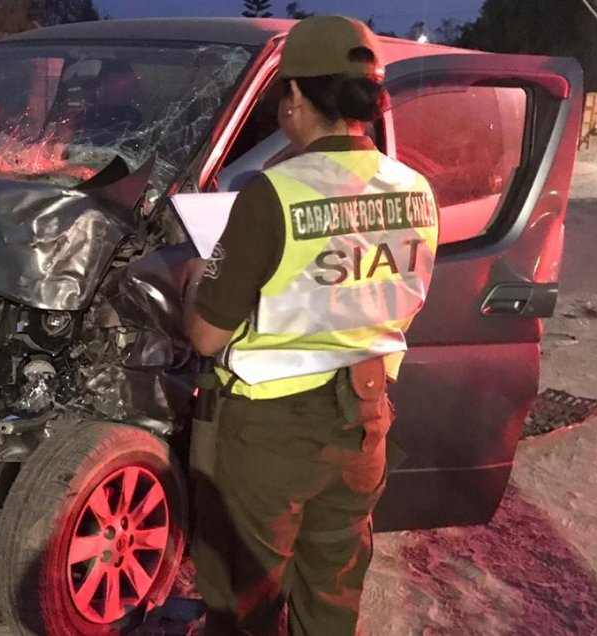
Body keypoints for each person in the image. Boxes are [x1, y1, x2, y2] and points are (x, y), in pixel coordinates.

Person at [185, 16, 440, 636]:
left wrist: (197, 278)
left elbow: (206, 335)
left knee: (245, 599)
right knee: (331, 595)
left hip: (270, 434)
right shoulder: (416, 191)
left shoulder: (272, 194)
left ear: (294, 96)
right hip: (364, 423)